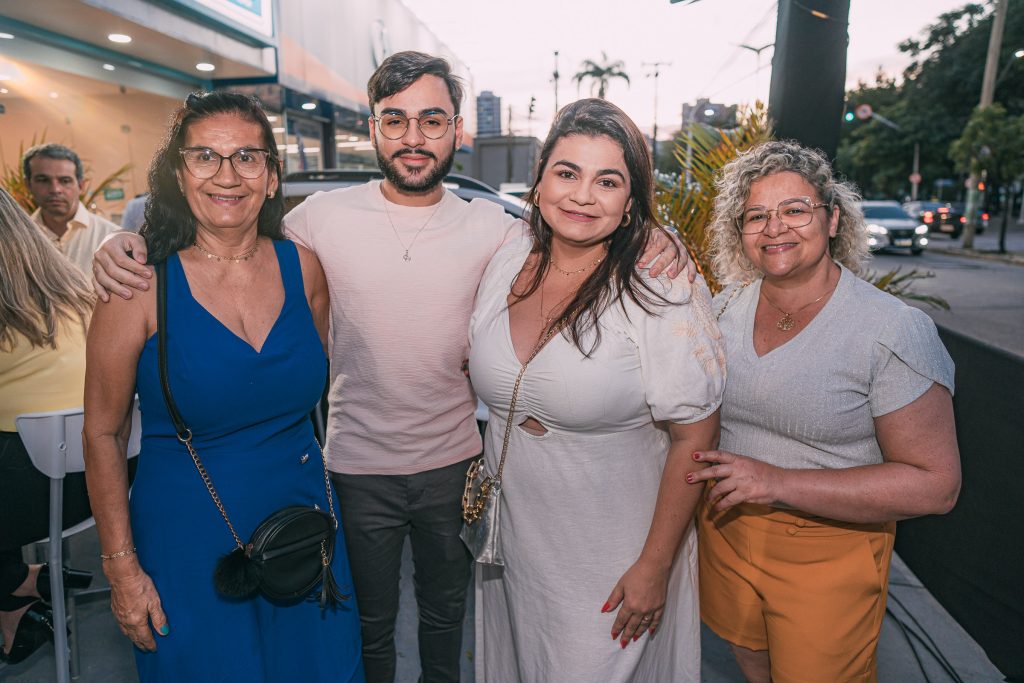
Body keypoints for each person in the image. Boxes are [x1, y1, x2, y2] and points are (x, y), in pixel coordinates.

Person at [89, 52, 689, 683]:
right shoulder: (316, 224)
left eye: (432, 120)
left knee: (445, 621)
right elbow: (222, 237)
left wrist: (653, 234)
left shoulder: (497, 228)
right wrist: (118, 244)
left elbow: (578, 233)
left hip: (457, 464)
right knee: (362, 627)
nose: (413, 137)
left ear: (458, 131)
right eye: (394, 119)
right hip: (352, 467)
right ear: (372, 128)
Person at [82, 91, 364, 682]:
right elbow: (103, 434)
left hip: (302, 523)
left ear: (270, 176)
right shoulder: (137, 286)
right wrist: (121, 570)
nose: (227, 175)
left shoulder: (305, 269)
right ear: (179, 176)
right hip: (187, 539)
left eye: (247, 158)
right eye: (205, 157)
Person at [468, 98, 724, 682]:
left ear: (631, 201)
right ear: (538, 182)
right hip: (511, 541)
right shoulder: (510, 256)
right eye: (567, 173)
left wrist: (655, 567)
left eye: (607, 181)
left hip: (610, 551)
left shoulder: (661, 289)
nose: (583, 196)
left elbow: (696, 438)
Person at [688, 140, 961, 683]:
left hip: (830, 552)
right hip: (726, 532)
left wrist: (777, 482)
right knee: (752, 664)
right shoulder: (722, 309)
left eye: (795, 210)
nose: (775, 228)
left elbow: (936, 486)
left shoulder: (890, 329)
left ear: (833, 218)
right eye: (756, 216)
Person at [0, 188, 95, 664]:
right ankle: (20, 596)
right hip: (101, 480)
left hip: (27, 490)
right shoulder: (74, 288)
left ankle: (19, 584)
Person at [24, 143, 121, 274]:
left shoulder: (111, 237)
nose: (55, 189)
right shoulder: (17, 241)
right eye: (43, 180)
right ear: (28, 185)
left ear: (81, 186)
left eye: (65, 181)